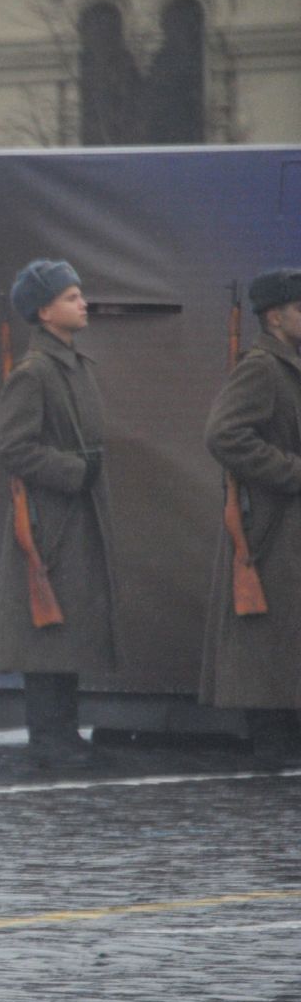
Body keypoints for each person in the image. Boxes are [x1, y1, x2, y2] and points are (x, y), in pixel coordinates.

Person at [0, 260, 117, 769]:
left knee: (68, 624)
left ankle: (63, 729)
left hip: (73, 509)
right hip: (49, 516)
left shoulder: (72, 363)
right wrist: (70, 470)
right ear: (44, 312)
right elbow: (10, 446)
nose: (82, 302)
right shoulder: (35, 371)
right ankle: (48, 734)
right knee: (45, 628)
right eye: (70, 297)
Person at [199, 268, 301, 763]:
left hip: (288, 519)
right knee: (270, 634)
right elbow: (225, 435)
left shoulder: (290, 363)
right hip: (272, 522)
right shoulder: (262, 366)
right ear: (276, 317)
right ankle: (272, 743)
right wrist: (291, 471)